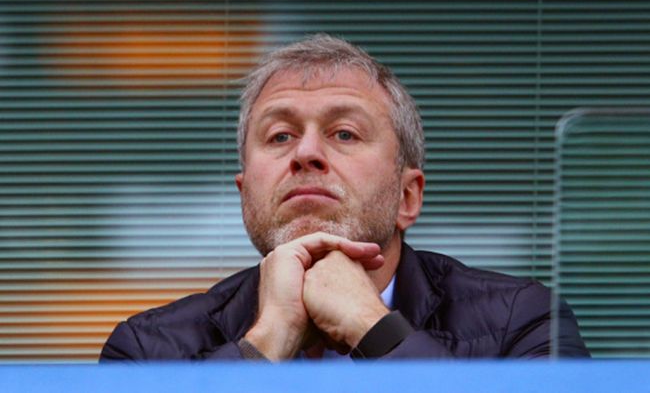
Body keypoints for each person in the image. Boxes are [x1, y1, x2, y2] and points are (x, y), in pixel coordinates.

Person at [100, 34, 589, 361]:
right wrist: (266, 343)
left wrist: (372, 327)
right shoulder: (146, 349)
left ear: (407, 196)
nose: (306, 153)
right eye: (280, 136)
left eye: (345, 133)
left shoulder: (524, 322)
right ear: (246, 196)